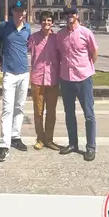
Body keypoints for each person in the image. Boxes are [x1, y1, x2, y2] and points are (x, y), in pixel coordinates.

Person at [0, 0, 31, 162]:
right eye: (17, 10)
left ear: (25, 12)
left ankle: (15, 136)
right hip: (9, 74)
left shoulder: (28, 29)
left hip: (24, 73)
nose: (20, 13)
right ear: (12, 11)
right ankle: (4, 145)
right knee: (7, 109)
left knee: (19, 107)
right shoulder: (4, 26)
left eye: (22, 11)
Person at [56, 5, 99, 161]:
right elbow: (58, 54)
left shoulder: (86, 33)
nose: (69, 15)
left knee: (89, 114)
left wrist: (86, 68)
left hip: (83, 78)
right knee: (69, 114)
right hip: (66, 79)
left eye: (72, 13)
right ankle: (73, 143)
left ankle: (90, 147)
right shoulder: (60, 35)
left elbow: (94, 53)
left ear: (77, 15)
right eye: (66, 13)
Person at [27, 10, 61, 151]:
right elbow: (22, 51)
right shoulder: (33, 38)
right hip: (37, 79)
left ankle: (49, 139)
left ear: (52, 23)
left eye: (49, 20)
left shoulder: (57, 38)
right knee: (38, 111)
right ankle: (40, 139)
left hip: (53, 79)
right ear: (40, 22)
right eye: (44, 20)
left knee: (51, 112)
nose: (46, 22)